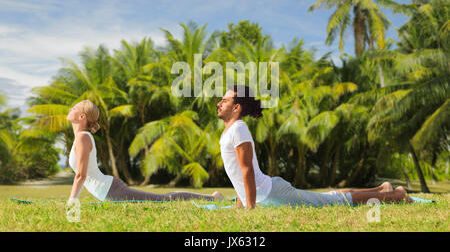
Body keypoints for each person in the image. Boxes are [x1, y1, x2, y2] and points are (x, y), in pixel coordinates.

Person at [217, 85, 413, 210]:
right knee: (329, 198)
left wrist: (249, 208)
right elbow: (238, 175)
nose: (219, 103)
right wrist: (240, 205)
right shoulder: (230, 131)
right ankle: (381, 189)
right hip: (267, 193)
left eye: (224, 101)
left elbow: (247, 170)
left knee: (332, 202)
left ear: (237, 108)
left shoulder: (239, 128)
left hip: (271, 195)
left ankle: (396, 195)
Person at [66, 100, 223, 204]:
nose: (70, 108)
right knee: (162, 199)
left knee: (164, 199)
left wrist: (72, 200)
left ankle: (211, 197)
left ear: (81, 116)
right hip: (107, 189)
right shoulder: (81, 137)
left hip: (111, 191)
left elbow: (81, 175)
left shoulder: (83, 138)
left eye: (74, 108)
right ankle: (211, 197)